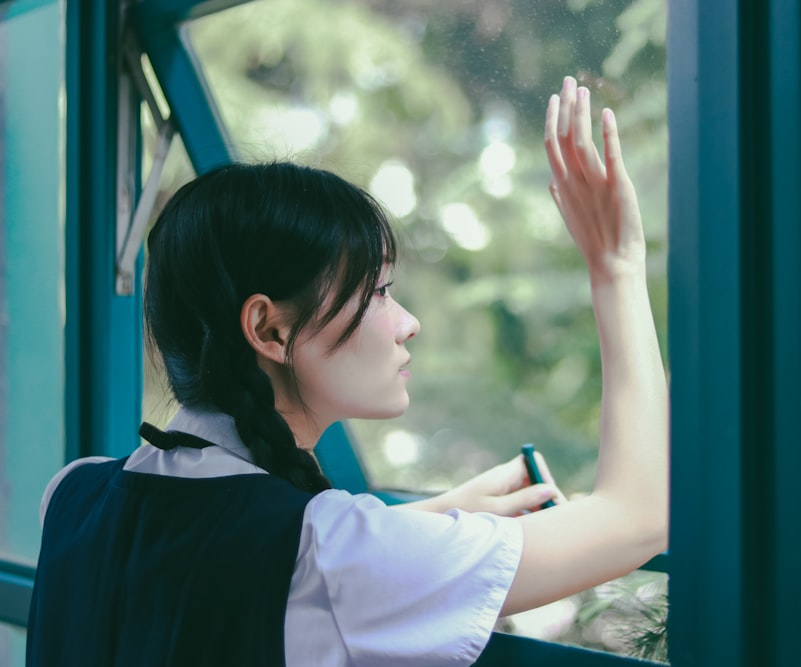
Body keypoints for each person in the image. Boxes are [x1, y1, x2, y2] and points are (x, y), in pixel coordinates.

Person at [26, 76, 668, 666]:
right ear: (270, 331)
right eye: (379, 292)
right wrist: (616, 267)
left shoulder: (74, 496)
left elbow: (216, 564)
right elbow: (639, 519)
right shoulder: (333, 555)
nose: (407, 322)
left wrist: (438, 517)